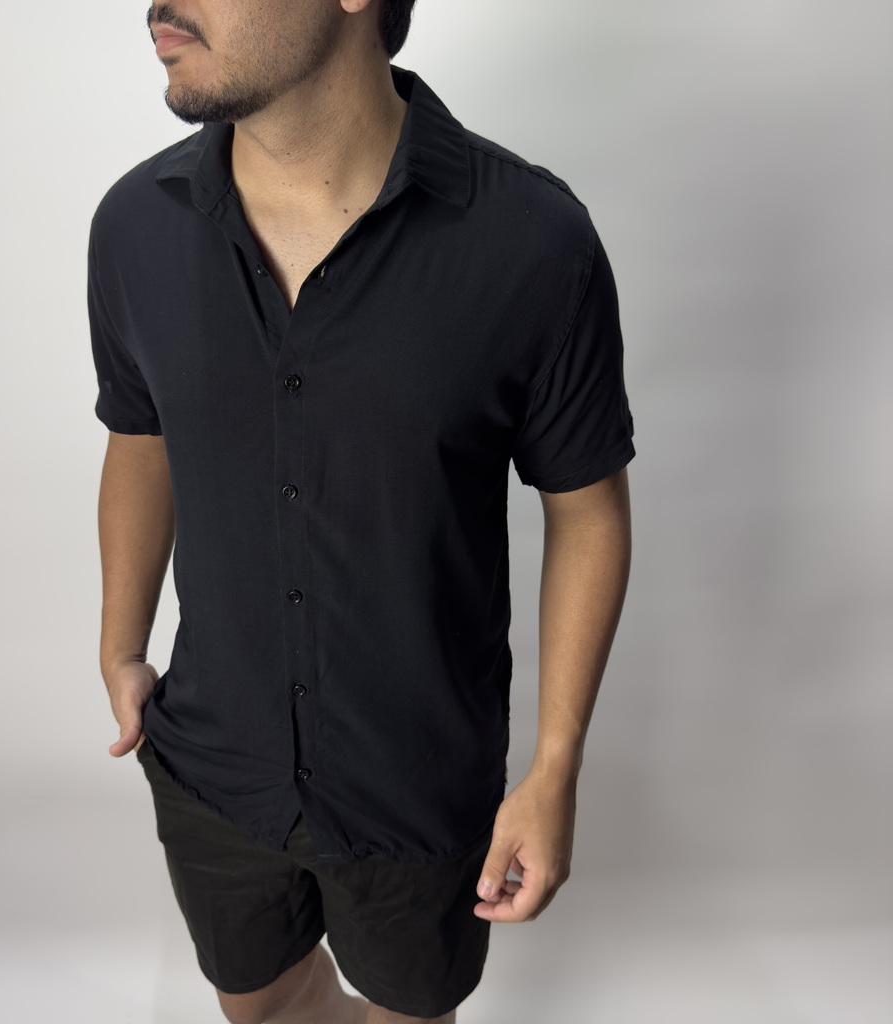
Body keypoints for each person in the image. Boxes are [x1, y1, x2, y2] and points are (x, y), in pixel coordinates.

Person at [88, 1, 634, 1021]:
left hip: (419, 784)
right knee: (261, 1006)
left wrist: (554, 767)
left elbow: (587, 510)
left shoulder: (531, 239)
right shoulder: (134, 226)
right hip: (212, 761)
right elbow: (139, 434)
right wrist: (121, 645)